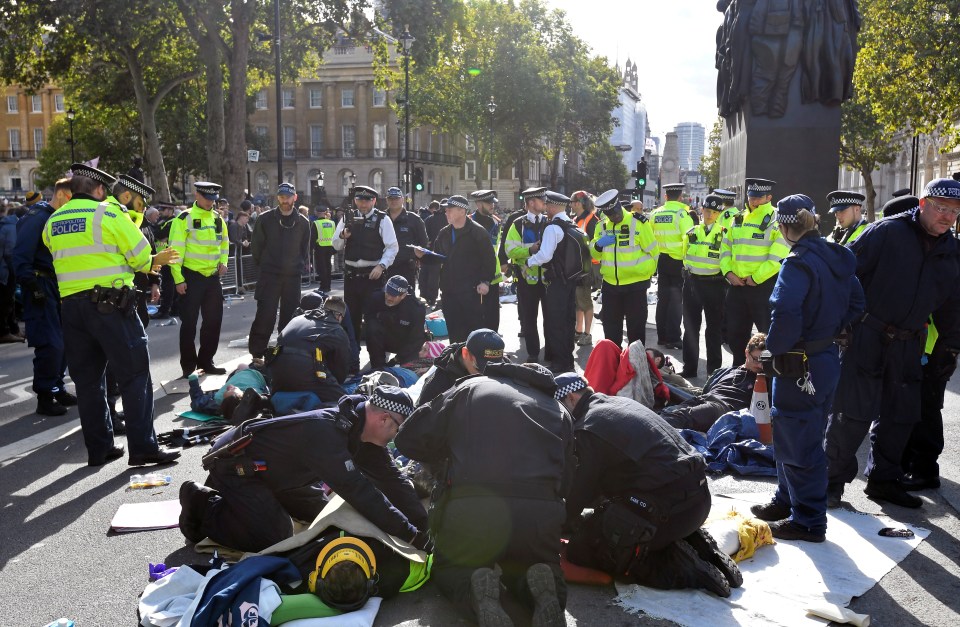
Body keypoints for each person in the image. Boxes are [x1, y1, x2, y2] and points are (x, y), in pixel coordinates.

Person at [395, 361, 573, 626]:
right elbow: (567, 481)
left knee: (452, 568)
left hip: (473, 506)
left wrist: (447, 457)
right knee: (531, 563)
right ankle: (540, 586)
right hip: (538, 513)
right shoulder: (559, 409)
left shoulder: (470, 387)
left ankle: (474, 590)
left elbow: (408, 437)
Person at [825, 178, 960, 509]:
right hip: (866, 336)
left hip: (909, 343)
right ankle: (829, 483)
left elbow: (953, 303)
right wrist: (839, 324)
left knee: (900, 416)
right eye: (941, 208)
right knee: (850, 414)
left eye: (955, 212)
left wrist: (950, 346)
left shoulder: (952, 250)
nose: (947, 217)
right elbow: (845, 276)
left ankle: (884, 481)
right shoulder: (887, 232)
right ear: (924, 204)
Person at [178, 386, 431, 554]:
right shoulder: (327, 433)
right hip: (236, 465)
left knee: (327, 520)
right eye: (397, 430)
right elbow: (362, 492)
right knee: (274, 538)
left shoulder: (360, 430)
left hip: (282, 475)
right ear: (384, 419)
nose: (395, 438)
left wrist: (424, 526)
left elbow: (393, 481)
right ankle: (202, 502)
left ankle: (259, 506)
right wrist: (411, 537)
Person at [42, 163, 180, 467]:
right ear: (101, 189)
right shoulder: (109, 214)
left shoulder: (54, 220)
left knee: (89, 382)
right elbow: (142, 257)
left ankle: (100, 449)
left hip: (72, 310)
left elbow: (54, 252)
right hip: (111, 306)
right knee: (135, 376)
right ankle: (143, 447)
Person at [555, 373, 739, 597]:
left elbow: (578, 494)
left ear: (572, 398)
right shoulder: (617, 403)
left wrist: (553, 524)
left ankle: (685, 569)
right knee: (613, 513)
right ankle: (704, 550)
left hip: (668, 513)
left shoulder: (587, 427)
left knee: (583, 549)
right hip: (698, 499)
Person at [748, 194, 865, 542]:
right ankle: (787, 500)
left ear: (784, 226)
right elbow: (858, 303)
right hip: (824, 359)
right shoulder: (837, 257)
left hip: (799, 365)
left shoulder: (797, 263)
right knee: (795, 433)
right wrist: (830, 330)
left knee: (802, 441)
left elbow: (785, 312)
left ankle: (809, 520)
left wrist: (773, 349)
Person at [12, 179, 75, 415]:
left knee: (66, 342)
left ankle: (57, 388)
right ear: (61, 195)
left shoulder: (54, 216)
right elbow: (20, 256)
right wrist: (32, 285)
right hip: (41, 284)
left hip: (58, 284)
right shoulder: (38, 217)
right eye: (71, 198)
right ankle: (45, 396)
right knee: (51, 345)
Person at [720, 177, 790, 367]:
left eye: (758, 198)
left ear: (769, 197)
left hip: (762, 286)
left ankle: (768, 374)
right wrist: (728, 273)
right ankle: (739, 370)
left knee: (767, 335)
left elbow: (778, 257)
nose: (753, 201)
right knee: (735, 335)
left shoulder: (777, 220)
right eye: (751, 196)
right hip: (737, 286)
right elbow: (725, 248)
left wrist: (755, 278)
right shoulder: (738, 218)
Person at [413, 195, 496, 342]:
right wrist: (422, 256)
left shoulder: (477, 232)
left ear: (462, 211)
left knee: (473, 333)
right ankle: (457, 363)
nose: (446, 213)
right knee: (454, 332)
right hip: (449, 291)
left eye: (450, 210)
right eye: (446, 210)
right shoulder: (444, 232)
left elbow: (489, 260)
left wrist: (485, 281)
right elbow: (438, 257)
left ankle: (473, 363)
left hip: (472, 291)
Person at [169, 181, 230, 377]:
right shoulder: (184, 218)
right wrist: (178, 279)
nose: (210, 202)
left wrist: (224, 261)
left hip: (212, 278)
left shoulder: (217, 219)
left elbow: (224, 243)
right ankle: (188, 366)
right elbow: (175, 251)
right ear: (197, 195)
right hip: (191, 277)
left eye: (213, 199)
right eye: (206, 198)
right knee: (189, 323)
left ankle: (206, 361)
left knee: (213, 322)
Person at [248, 182, 311, 361]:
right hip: (270, 274)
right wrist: (267, 265)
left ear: (295, 198)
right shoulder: (265, 219)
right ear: (278, 198)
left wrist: (297, 265)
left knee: (290, 315)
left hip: (292, 276)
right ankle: (257, 353)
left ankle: (286, 351)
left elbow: (304, 249)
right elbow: (257, 247)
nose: (285, 200)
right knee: (265, 314)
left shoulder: (303, 222)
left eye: (288, 197)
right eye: (282, 197)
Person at [590, 190, 659, 347]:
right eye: (611, 215)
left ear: (620, 206)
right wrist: (599, 244)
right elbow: (594, 253)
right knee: (611, 332)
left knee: (636, 333)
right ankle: (614, 366)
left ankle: (636, 368)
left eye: (617, 213)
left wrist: (645, 273)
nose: (615, 217)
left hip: (636, 286)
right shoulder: (601, 227)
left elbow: (654, 252)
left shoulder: (639, 223)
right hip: (610, 285)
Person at [661, 333, 766, 432]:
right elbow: (705, 390)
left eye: (763, 361)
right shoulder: (728, 371)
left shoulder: (763, 378)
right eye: (756, 359)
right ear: (747, 353)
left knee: (679, 417)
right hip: (704, 398)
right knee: (667, 413)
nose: (760, 365)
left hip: (722, 407)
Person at [331, 185, 398, 338]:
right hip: (351, 277)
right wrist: (342, 236)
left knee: (373, 319)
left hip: (372, 277)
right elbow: (335, 244)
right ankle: (352, 356)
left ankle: (377, 358)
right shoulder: (347, 217)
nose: (363, 204)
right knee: (350, 319)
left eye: (367, 201)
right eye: (359, 200)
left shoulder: (382, 219)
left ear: (374, 201)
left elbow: (392, 247)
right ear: (355, 201)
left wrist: (381, 266)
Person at [526, 191, 582, 373]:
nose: (545, 208)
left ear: (551, 206)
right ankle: (567, 358)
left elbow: (545, 255)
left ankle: (559, 362)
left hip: (557, 280)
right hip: (570, 279)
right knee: (567, 320)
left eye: (547, 205)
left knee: (555, 322)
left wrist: (529, 262)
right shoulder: (571, 224)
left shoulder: (552, 228)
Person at [268, 294, 351, 405]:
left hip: (276, 369)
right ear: (339, 316)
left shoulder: (297, 319)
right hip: (303, 369)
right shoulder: (337, 330)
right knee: (344, 401)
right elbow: (341, 369)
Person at [680, 194, 728, 377]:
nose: (710, 215)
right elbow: (684, 256)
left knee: (713, 329)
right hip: (692, 284)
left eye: (714, 212)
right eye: (707, 210)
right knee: (691, 328)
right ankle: (689, 368)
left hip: (715, 284)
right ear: (701, 210)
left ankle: (713, 371)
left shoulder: (724, 233)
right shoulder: (691, 232)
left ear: (718, 214)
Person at [503, 187, 548, 361]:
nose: (544, 202)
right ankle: (533, 353)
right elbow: (509, 250)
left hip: (547, 279)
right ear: (530, 203)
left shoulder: (549, 221)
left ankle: (550, 351)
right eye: (540, 200)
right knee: (529, 319)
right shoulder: (517, 224)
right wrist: (529, 250)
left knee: (550, 318)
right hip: (526, 279)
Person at [651, 183, 695, 350]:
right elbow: (690, 238)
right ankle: (673, 338)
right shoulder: (682, 214)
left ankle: (662, 337)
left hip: (660, 261)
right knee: (676, 302)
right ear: (681, 197)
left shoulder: (655, 213)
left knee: (663, 300)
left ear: (666, 197)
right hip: (677, 262)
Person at [416, 328, 505, 406]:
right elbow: (421, 418)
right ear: (465, 354)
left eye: (494, 369)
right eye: (480, 368)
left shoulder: (505, 368)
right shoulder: (438, 385)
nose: (486, 376)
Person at [364, 275, 427, 370]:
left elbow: (416, 340)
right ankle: (377, 367)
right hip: (384, 338)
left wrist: (396, 359)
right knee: (372, 328)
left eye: (393, 295)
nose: (388, 297)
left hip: (406, 341)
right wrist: (380, 317)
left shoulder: (416, 309)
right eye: (387, 293)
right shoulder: (376, 298)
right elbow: (368, 320)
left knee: (410, 368)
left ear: (403, 295)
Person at [469, 190, 504, 333]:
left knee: (492, 318)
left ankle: (492, 349)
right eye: (489, 203)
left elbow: (497, 247)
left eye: (493, 203)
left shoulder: (496, 222)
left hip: (493, 277)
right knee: (474, 318)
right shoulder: (468, 221)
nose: (492, 205)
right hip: (473, 277)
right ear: (478, 204)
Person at [187, 363, 269, 420]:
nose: (230, 387)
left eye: (227, 390)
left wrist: (193, 378)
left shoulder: (217, 403)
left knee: (242, 365)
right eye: (233, 389)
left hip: (239, 374)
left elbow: (198, 401)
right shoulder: (256, 397)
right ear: (241, 396)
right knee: (247, 365)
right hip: (261, 375)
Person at [571, 191, 601, 347]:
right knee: (578, 301)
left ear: (579, 203)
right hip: (578, 267)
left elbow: (593, 246)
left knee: (585, 301)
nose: (570, 204)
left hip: (587, 268)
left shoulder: (592, 221)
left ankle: (587, 334)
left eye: (572, 201)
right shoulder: (576, 219)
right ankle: (578, 330)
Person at [385, 186, 428, 290]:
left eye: (396, 198)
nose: (393, 201)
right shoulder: (382, 218)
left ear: (402, 199)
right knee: (385, 300)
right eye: (391, 199)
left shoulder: (414, 219)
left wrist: (416, 257)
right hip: (384, 266)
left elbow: (423, 242)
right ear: (387, 200)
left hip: (406, 267)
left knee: (407, 299)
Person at [419, 200, 445, 307]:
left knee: (425, 273)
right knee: (434, 277)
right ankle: (432, 297)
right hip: (440, 253)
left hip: (427, 251)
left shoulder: (430, 219)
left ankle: (425, 294)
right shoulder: (447, 220)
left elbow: (424, 235)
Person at [0, 205, 20, 342]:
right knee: (6, 301)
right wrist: (16, 273)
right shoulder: (11, 227)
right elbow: (10, 253)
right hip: (5, 272)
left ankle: (13, 329)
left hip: (4, 270)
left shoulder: (6, 225)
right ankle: (5, 332)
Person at [311, 207, 336, 292]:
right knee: (328, 267)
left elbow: (313, 237)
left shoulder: (316, 223)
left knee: (322, 268)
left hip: (320, 247)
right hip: (330, 247)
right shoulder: (332, 223)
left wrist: (311, 249)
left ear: (317, 213)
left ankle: (323, 286)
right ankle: (328, 286)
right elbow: (335, 235)